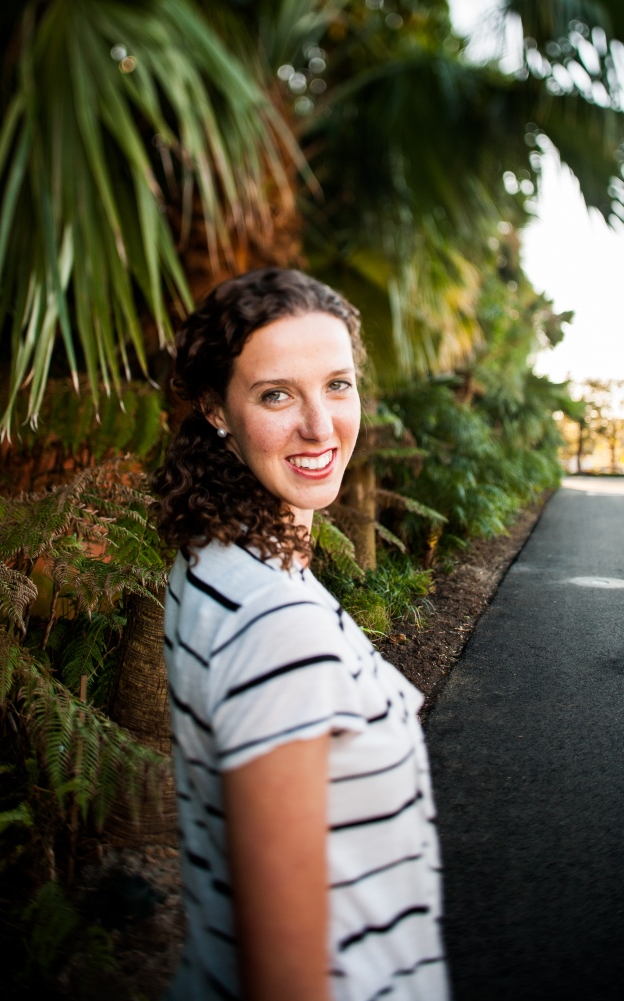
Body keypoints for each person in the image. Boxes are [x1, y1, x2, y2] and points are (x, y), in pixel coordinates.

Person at [151, 268, 449, 1001]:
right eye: (277, 394)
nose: (320, 425)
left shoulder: (217, 562)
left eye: (337, 385)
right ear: (216, 410)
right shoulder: (278, 626)